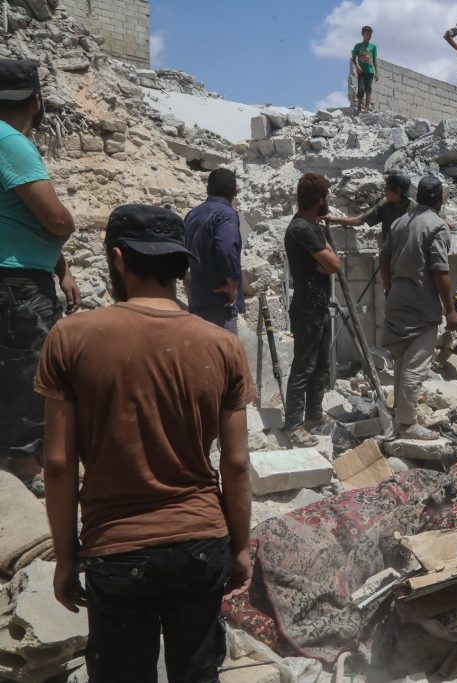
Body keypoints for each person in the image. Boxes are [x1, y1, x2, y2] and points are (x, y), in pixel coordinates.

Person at [36, 204, 254, 683]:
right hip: (201, 542)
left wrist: (66, 557)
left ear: (118, 259)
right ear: (180, 265)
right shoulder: (223, 345)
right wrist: (240, 548)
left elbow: (58, 463)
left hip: (116, 548)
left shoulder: (70, 338)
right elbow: (236, 464)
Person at [0, 58, 78, 496]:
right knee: (27, 368)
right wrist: (67, 226)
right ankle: (25, 466)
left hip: (23, 273)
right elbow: (53, 219)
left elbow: (19, 220)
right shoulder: (10, 141)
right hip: (18, 282)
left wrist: (62, 268)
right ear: (36, 101)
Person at [380, 176, 456, 439]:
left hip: (396, 300)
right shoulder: (437, 226)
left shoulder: (399, 222)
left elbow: (383, 258)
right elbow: (440, 271)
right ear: (440, 199)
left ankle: (399, 415)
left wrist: (389, 288)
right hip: (420, 305)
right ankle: (407, 424)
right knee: (415, 365)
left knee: (401, 362)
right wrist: (450, 310)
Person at [283, 174, 342, 447]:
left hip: (318, 306)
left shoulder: (313, 227)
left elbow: (332, 261)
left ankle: (314, 416)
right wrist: (327, 261)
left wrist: (328, 260)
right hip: (306, 307)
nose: (328, 201)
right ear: (319, 200)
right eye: (326, 197)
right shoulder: (301, 229)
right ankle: (294, 425)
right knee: (304, 366)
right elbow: (335, 265)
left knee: (321, 366)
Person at [183, 168, 243, 332]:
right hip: (220, 303)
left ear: (208, 189)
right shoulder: (227, 214)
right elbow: (226, 248)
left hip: (197, 299)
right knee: (224, 348)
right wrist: (232, 281)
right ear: (234, 191)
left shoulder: (192, 214)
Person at [323, 171, 415, 246]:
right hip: (389, 257)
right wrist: (331, 218)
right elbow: (359, 220)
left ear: (398, 191)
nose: (384, 190)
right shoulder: (385, 205)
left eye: (387, 188)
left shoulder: (415, 209)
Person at [351, 26, 379, 113]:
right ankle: (359, 108)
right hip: (361, 71)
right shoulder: (358, 46)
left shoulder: (373, 47)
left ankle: (366, 109)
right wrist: (357, 66)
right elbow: (353, 58)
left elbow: (374, 60)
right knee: (361, 89)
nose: (368, 36)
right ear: (362, 34)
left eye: (370, 35)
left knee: (368, 90)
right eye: (367, 34)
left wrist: (376, 72)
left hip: (370, 72)